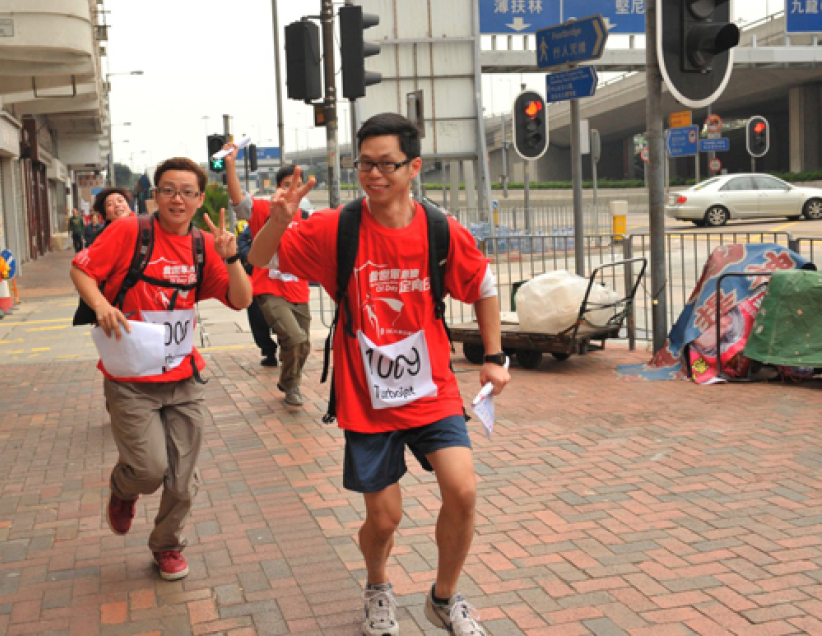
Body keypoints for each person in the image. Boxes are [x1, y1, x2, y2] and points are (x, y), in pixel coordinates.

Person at [249, 113, 510, 636]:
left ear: (413, 167)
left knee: (462, 490)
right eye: (365, 164)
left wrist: (495, 356)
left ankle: (444, 597)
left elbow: (482, 283)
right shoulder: (336, 228)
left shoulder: (439, 228)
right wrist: (279, 218)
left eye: (386, 164)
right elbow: (258, 258)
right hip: (367, 397)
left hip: (431, 388)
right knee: (385, 519)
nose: (374, 174)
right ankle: (378, 584)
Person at [69, 157, 252, 582]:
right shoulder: (130, 231)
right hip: (130, 376)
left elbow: (242, 300)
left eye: (187, 192)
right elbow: (81, 268)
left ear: (199, 198)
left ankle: (167, 544)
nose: (177, 199)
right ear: (155, 195)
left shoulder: (205, 246)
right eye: (168, 189)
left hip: (183, 375)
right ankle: (123, 488)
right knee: (149, 469)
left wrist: (233, 258)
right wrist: (101, 304)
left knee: (183, 479)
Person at [225, 148, 312, 406]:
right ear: (277, 187)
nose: (291, 191)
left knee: (303, 345)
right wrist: (231, 164)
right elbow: (239, 202)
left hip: (299, 290)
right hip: (269, 289)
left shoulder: (306, 218)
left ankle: (287, 380)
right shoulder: (265, 208)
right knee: (294, 338)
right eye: (286, 186)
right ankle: (292, 387)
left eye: (296, 187)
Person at [237, 222, 279, 366]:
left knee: (283, 320)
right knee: (258, 319)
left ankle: (287, 351)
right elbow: (242, 245)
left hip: (279, 281)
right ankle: (268, 351)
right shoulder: (251, 229)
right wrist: (254, 256)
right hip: (255, 281)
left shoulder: (284, 225)